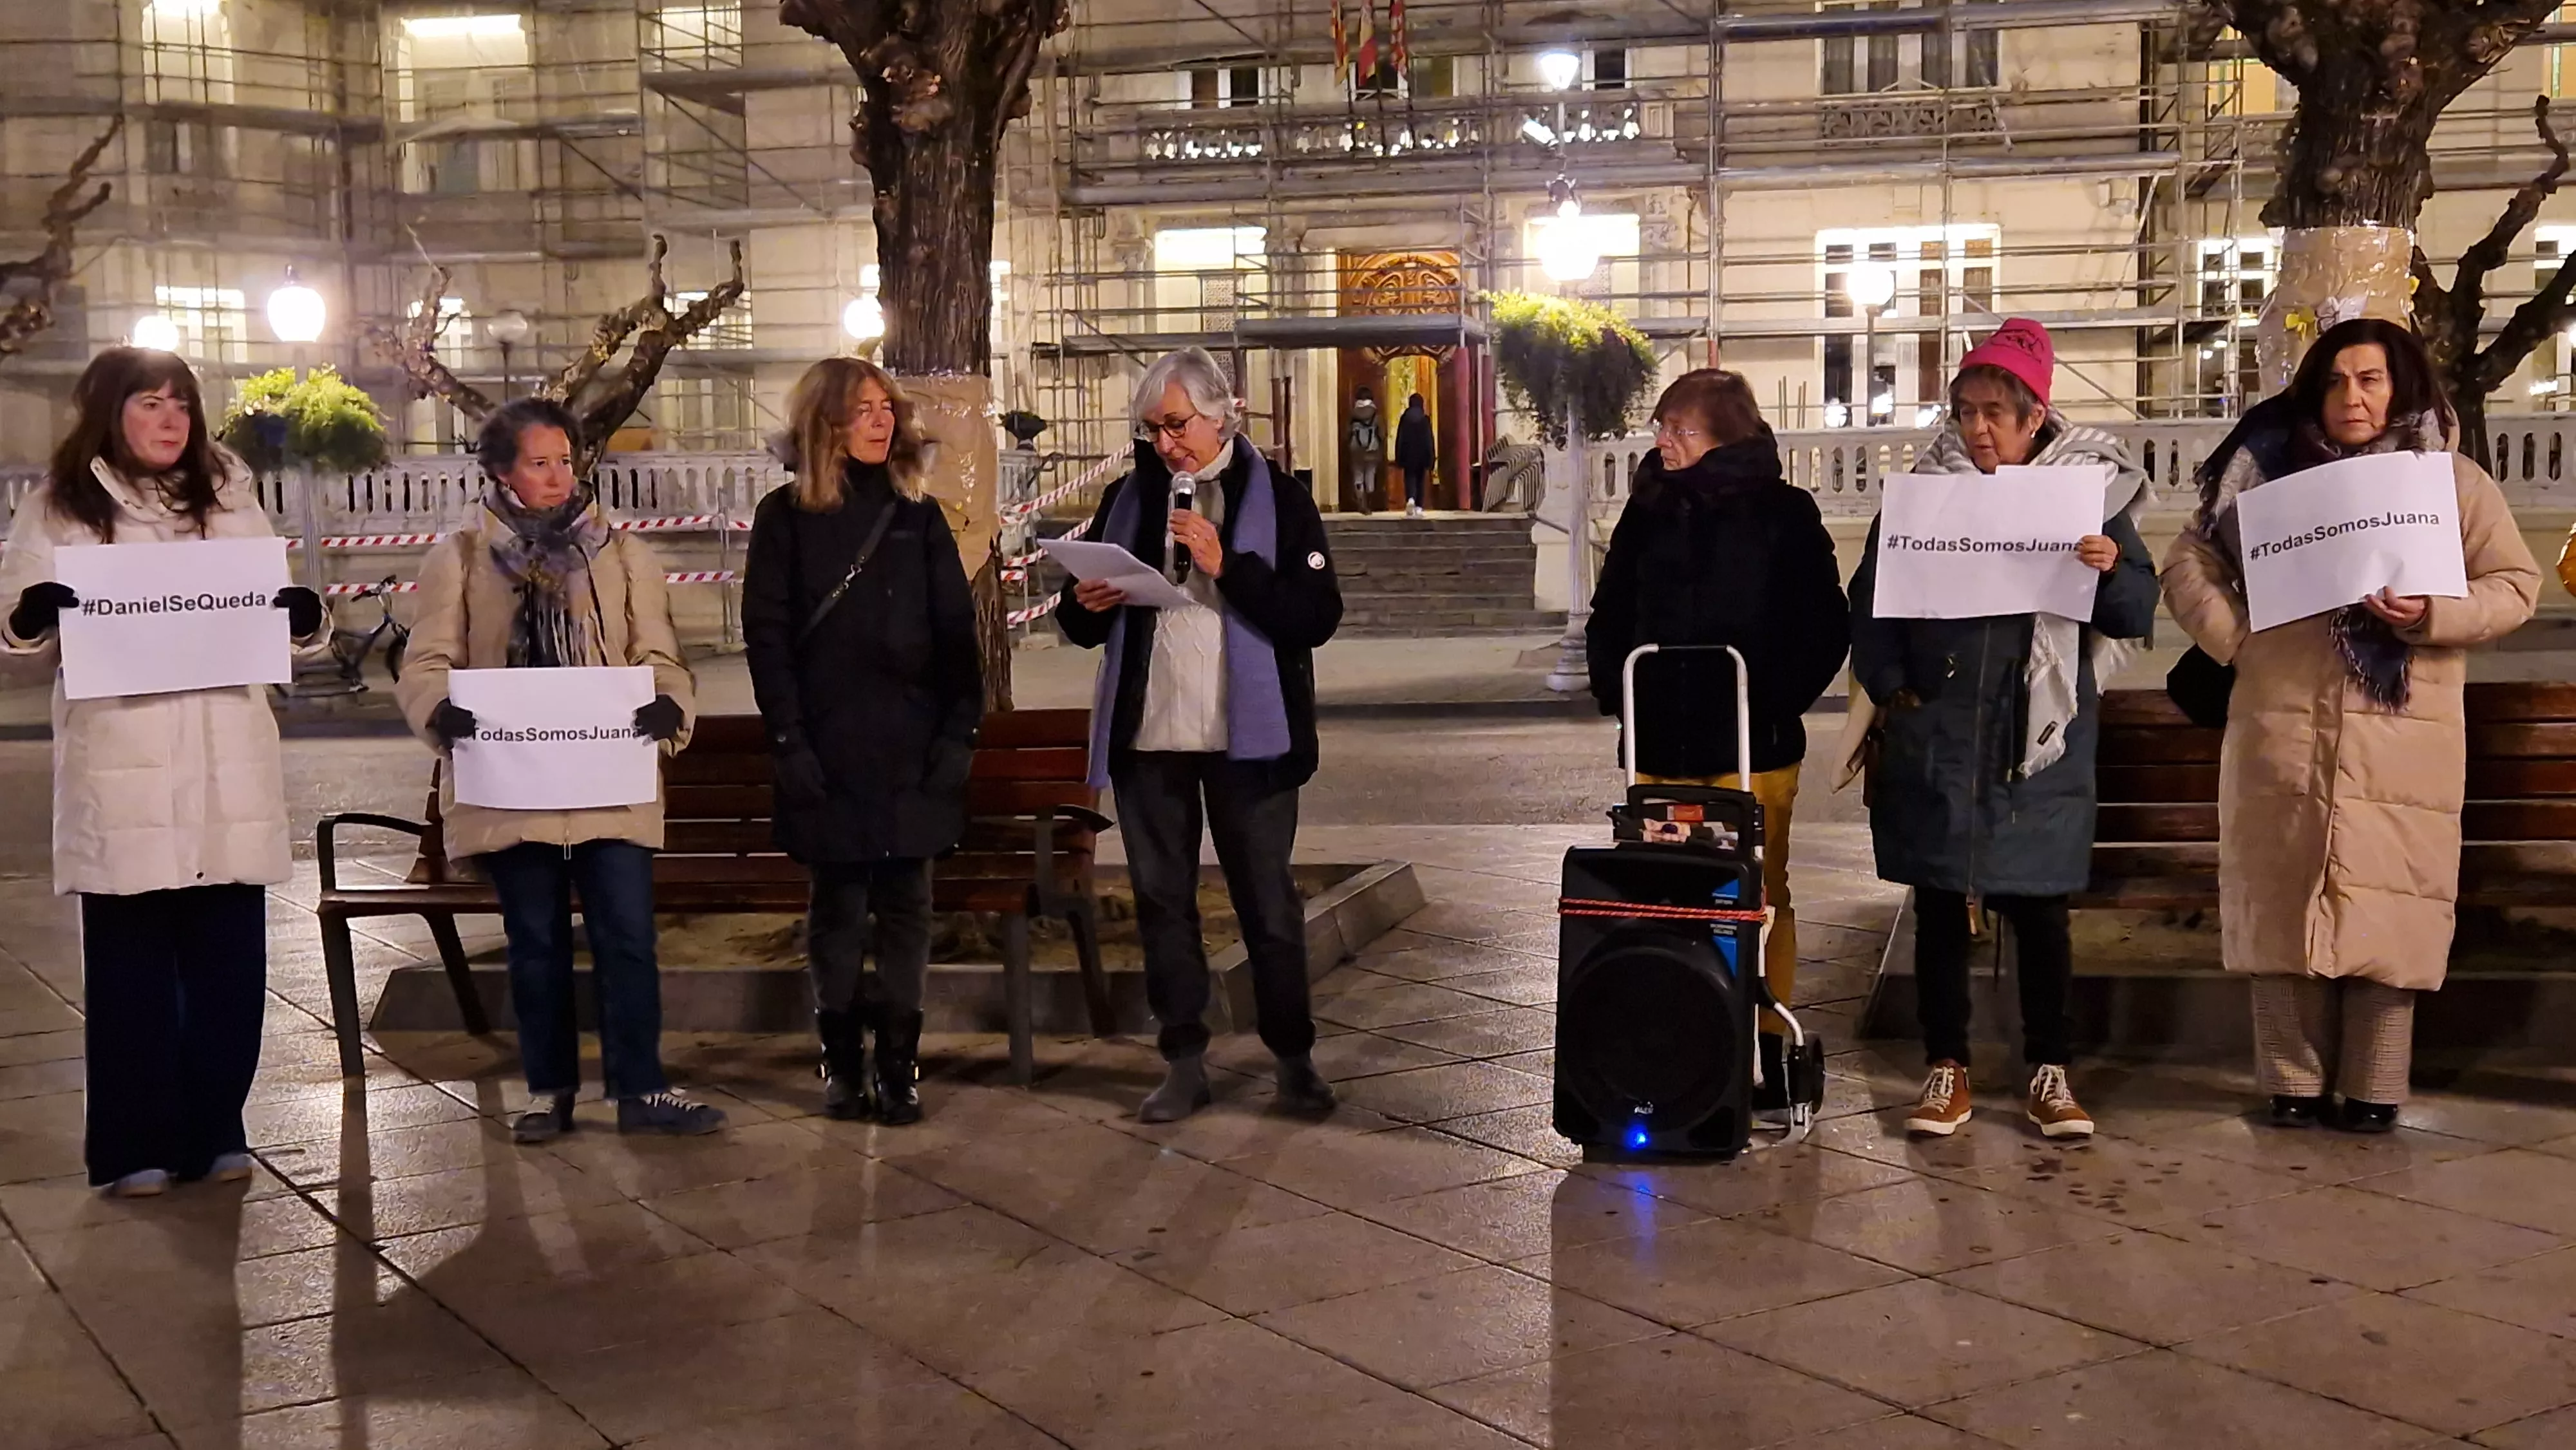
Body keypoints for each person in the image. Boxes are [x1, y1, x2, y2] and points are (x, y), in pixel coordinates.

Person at [2163, 318, 2539, 1132]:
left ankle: (2374, 1086)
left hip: (2403, 732)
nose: (2351, 398)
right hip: (2282, 720)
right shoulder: (2262, 477)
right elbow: (2187, 561)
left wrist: (2433, 613)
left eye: (2369, 380)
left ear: (2399, 385)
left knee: (2388, 902)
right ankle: (2289, 1080)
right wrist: (2236, 636)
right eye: (2335, 381)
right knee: (2283, 899)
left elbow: (2514, 583)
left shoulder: (2450, 481)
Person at [0, 348, 324, 1198]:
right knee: (131, 974)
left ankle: (215, 1128)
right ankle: (132, 1144)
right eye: (151, 403)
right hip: (125, 763)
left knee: (228, 972)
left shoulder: (229, 495)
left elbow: (274, 609)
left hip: (227, 763)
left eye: (182, 403)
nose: (172, 418)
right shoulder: (60, 506)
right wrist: (33, 617)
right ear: (111, 412)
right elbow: (17, 624)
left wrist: (301, 619)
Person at [1846, 317, 2159, 1140]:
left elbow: (2136, 609)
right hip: (1942, 733)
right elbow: (1871, 604)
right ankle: (1944, 1065)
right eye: (1964, 411)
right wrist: (1892, 689)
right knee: (1941, 903)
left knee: (2041, 910)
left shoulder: (2088, 496)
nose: (1977, 429)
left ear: (2034, 419)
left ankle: (2048, 1068)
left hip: (2040, 736)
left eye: (1994, 412)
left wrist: (2107, 569)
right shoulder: (1924, 495)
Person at [397, 397, 723, 1143]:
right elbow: (428, 661)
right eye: (539, 463)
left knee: (627, 936)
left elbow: (659, 655)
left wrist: (669, 707)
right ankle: (549, 1090)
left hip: (609, 779)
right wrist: (438, 709)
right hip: (514, 783)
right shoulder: (460, 557)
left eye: (564, 461)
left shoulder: (620, 551)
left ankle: (641, 1086)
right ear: (503, 472)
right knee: (536, 942)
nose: (556, 476)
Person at [1056, 346, 1343, 1122]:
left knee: (1266, 903)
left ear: (1222, 414)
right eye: (1151, 429)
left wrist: (1231, 564)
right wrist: (1088, 602)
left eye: (1176, 425)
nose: (1165, 444)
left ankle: (1294, 1057)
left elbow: (1315, 617)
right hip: (1151, 740)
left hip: (1251, 742)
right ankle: (1183, 1058)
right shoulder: (1128, 497)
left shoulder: (1279, 498)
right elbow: (1074, 626)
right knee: (1161, 900)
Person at [1584, 369, 1850, 1116]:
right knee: (1667, 898)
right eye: (1661, 427)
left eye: (1681, 429)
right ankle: (1680, 1041)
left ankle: (1768, 1043)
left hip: (1750, 745)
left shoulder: (1784, 513)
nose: (1663, 441)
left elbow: (1824, 626)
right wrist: (1617, 690)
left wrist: (1769, 697)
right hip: (1660, 741)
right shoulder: (1647, 511)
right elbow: (1611, 613)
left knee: (1758, 900)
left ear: (1724, 438)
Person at [742, 357, 981, 1125]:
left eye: (887, 407)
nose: (883, 420)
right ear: (827, 425)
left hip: (910, 748)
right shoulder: (784, 518)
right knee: (838, 908)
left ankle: (900, 1065)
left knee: (908, 904)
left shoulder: (919, 516)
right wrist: (790, 742)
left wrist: (956, 738)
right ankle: (841, 1063)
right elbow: (768, 640)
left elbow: (957, 641)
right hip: (827, 747)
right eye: (864, 410)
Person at [1394, 391, 1435, 518]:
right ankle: (1419, 506)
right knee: (1421, 480)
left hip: (1408, 455)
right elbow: (1429, 440)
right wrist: (1431, 458)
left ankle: (1411, 498)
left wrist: (1399, 457)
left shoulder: (1405, 419)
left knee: (1409, 477)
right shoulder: (1425, 419)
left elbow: (1400, 438)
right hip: (1422, 455)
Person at [1346, 385, 1384, 514]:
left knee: (1358, 475)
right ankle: (1369, 502)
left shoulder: (1353, 413)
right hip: (1372, 449)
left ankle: (1361, 502)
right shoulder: (1376, 414)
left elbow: (1347, 432)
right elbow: (1382, 433)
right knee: (1370, 474)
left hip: (1356, 448)